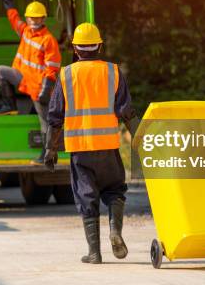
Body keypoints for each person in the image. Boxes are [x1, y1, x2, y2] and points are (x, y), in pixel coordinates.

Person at [43, 23, 139, 264]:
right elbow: (127, 111)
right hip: (108, 147)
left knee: (86, 197)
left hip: (80, 150)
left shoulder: (66, 74)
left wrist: (50, 149)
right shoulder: (113, 72)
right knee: (115, 190)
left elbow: (55, 116)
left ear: (75, 48)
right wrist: (140, 139)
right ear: (99, 46)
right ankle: (115, 231)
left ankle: (94, 253)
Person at [0, 0, 62, 164]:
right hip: (22, 77)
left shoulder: (48, 40)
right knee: (0, 71)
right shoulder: (25, 31)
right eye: (31, 17)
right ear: (28, 18)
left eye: (38, 17)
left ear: (43, 19)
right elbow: (14, 20)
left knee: (45, 121)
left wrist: (47, 89)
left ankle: (48, 156)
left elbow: (53, 67)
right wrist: (8, 3)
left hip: (39, 87)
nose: (34, 20)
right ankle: (10, 106)